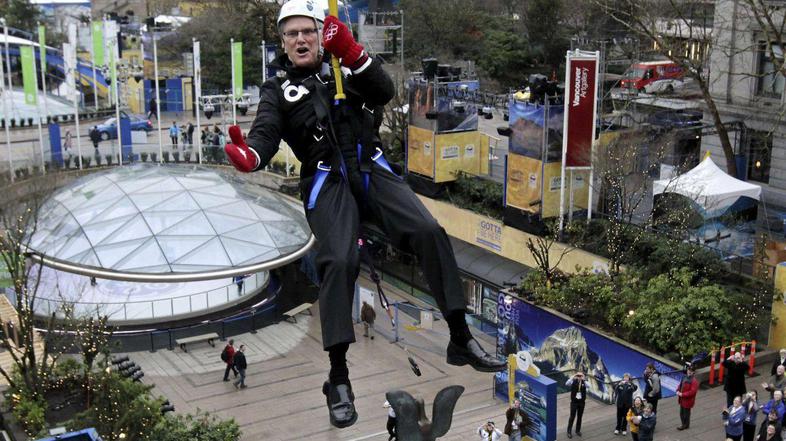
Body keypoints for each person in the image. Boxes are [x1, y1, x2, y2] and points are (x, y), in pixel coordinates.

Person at [224, 0, 505, 428]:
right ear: (282, 42)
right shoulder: (278, 89)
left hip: (370, 165)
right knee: (338, 260)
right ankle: (338, 377)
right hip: (328, 178)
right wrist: (253, 156)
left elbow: (383, 91)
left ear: (320, 35)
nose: (300, 39)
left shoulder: (344, 65)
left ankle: (460, 337)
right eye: (291, 34)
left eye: (308, 31)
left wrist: (352, 52)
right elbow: (265, 132)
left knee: (429, 230)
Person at [676, 365, 699, 430]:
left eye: (691, 371)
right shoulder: (684, 377)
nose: (689, 371)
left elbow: (692, 392)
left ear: (693, 372)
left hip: (688, 400)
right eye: (689, 370)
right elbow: (680, 385)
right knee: (681, 413)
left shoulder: (694, 381)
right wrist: (677, 390)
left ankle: (685, 425)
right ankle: (684, 424)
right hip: (682, 399)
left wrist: (682, 394)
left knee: (686, 414)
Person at [566, 372, 587, 439]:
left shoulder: (584, 382)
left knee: (579, 417)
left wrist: (584, 379)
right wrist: (573, 376)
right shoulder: (573, 381)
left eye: (580, 376)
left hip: (581, 402)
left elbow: (589, 386)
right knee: (572, 417)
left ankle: (577, 430)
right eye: (578, 376)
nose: (579, 377)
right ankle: (569, 431)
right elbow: (567, 383)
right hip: (574, 402)